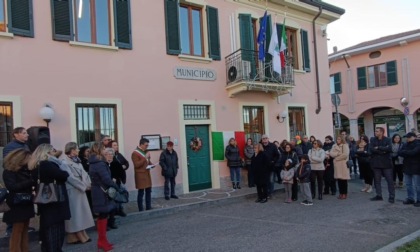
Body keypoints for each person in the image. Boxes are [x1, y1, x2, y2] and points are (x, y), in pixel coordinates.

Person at [28, 144, 70, 252]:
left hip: (44, 199)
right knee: (54, 228)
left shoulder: (36, 165)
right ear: (47, 152)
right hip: (54, 198)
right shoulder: (47, 164)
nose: (54, 152)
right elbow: (63, 175)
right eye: (53, 150)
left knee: (47, 226)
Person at [2, 127, 35, 237]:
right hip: (16, 178)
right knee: (16, 208)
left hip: (24, 178)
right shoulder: (9, 147)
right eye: (24, 133)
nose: (27, 135)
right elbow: (10, 162)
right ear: (16, 134)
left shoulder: (25, 145)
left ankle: (23, 225)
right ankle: (10, 228)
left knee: (23, 211)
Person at [2, 149, 35, 252]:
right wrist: (30, 182)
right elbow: (12, 187)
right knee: (17, 230)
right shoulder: (9, 172)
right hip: (17, 204)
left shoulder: (26, 170)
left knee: (24, 230)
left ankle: (24, 249)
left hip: (26, 202)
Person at [62, 142, 94, 244]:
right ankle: (76, 234)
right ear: (71, 150)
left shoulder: (77, 161)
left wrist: (88, 184)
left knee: (81, 213)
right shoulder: (64, 163)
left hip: (80, 189)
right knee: (75, 214)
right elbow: (70, 178)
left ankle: (77, 234)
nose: (78, 150)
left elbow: (84, 174)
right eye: (76, 148)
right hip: (73, 190)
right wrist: (83, 186)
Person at [89, 143, 118, 251]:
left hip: (98, 191)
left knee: (103, 215)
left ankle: (103, 240)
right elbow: (106, 179)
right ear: (99, 150)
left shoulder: (94, 162)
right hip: (101, 192)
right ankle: (101, 241)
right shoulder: (99, 163)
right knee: (103, 215)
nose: (105, 150)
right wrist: (116, 187)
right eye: (103, 148)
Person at [369, 127, 395, 203]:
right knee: (377, 180)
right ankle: (379, 195)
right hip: (376, 163)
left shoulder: (388, 139)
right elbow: (371, 149)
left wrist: (378, 148)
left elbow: (390, 149)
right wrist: (383, 151)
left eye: (377, 131)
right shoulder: (372, 139)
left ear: (381, 132)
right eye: (375, 131)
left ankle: (391, 196)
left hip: (386, 163)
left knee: (390, 181)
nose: (375, 132)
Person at [398, 132, 420, 206]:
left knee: (417, 185)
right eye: (407, 137)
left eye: (409, 137)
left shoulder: (418, 144)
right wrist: (407, 152)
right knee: (408, 184)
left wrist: (405, 152)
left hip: (416, 167)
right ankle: (410, 198)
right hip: (407, 166)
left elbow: (414, 152)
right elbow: (399, 152)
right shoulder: (405, 144)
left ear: (414, 137)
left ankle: (419, 200)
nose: (407, 138)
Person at [132, 138, 153, 211]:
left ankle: (148, 207)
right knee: (141, 193)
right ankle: (140, 209)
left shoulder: (145, 151)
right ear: (141, 144)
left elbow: (147, 162)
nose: (147, 147)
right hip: (140, 176)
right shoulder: (135, 153)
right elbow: (136, 165)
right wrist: (145, 158)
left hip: (147, 174)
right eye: (146, 145)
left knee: (148, 191)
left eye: (147, 145)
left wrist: (152, 165)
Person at [110, 140, 130, 217]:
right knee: (114, 195)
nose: (116, 147)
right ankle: (114, 211)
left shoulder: (119, 155)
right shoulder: (110, 156)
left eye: (117, 145)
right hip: (113, 179)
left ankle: (120, 210)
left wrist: (124, 166)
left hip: (119, 178)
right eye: (114, 145)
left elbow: (126, 163)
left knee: (120, 194)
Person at [329, 136, 350, 200]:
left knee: (344, 180)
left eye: (339, 139)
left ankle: (344, 193)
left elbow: (345, 155)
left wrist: (337, 158)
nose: (338, 140)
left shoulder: (345, 145)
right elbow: (331, 153)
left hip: (343, 164)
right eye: (337, 139)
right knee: (339, 180)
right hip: (337, 165)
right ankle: (341, 193)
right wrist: (338, 153)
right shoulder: (334, 145)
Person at [78, 146, 94, 215]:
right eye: (87, 151)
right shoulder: (81, 160)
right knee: (88, 198)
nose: (89, 153)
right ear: (83, 152)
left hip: (92, 180)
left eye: (90, 151)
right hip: (86, 181)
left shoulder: (91, 159)